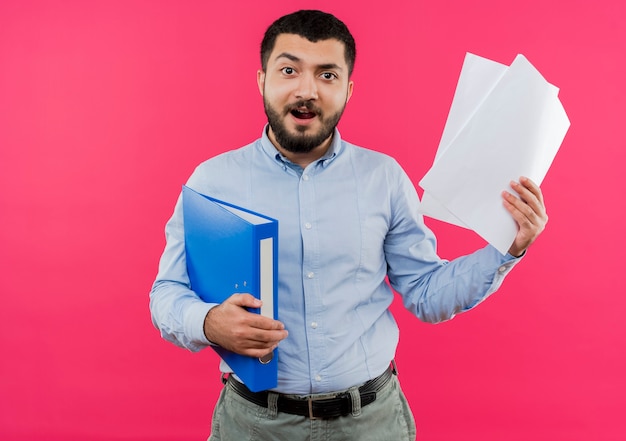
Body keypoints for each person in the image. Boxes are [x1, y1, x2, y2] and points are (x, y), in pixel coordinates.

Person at [149, 9, 548, 441]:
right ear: (263, 80)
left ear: (348, 89)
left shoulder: (384, 178)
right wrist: (208, 322)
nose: (307, 91)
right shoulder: (212, 181)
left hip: (371, 423)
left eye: (327, 75)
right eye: (289, 71)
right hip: (253, 424)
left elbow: (428, 294)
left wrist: (508, 247)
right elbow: (166, 293)